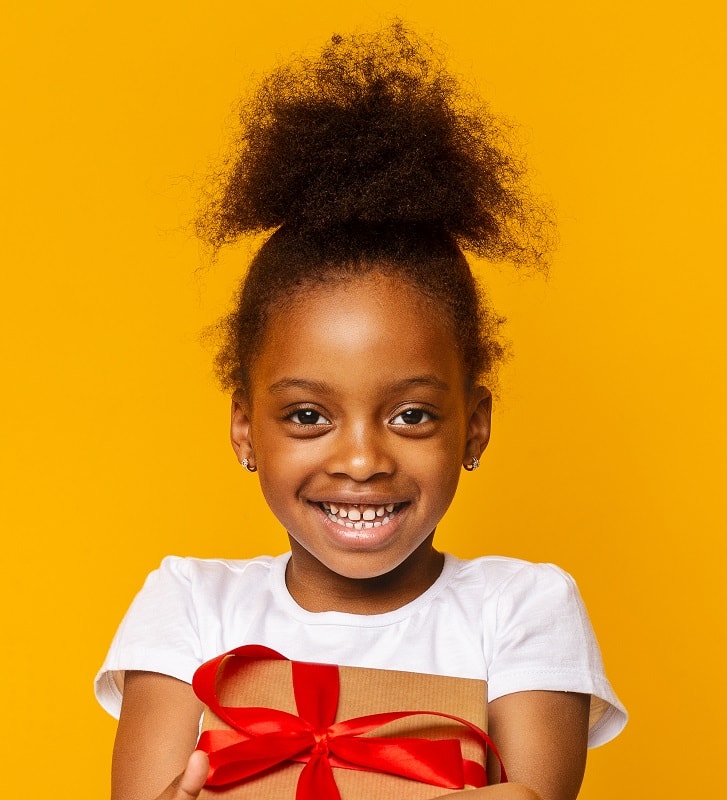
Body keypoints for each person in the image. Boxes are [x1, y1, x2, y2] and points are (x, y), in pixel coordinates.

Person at [96, 23, 626, 800]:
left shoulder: (522, 606)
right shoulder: (187, 603)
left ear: (473, 425)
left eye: (410, 416)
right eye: (308, 416)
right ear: (245, 428)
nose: (360, 459)